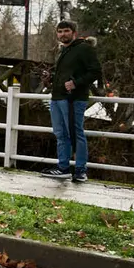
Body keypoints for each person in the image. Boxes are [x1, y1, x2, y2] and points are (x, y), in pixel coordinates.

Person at [41, 20, 101, 183]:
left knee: (76, 133)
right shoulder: (63, 51)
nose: (63, 34)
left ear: (74, 32)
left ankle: (81, 170)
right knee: (60, 134)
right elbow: (67, 73)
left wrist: (76, 83)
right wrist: (51, 79)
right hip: (57, 97)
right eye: (60, 32)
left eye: (66, 31)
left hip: (74, 99)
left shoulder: (84, 48)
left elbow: (95, 71)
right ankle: (63, 168)